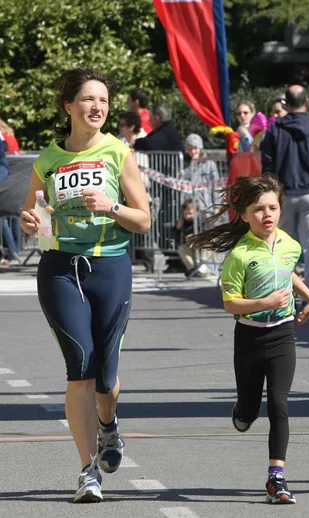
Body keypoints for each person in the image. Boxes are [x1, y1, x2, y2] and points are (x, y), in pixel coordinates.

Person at [19, 68, 150, 503]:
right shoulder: (48, 161)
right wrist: (30, 220)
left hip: (109, 268)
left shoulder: (118, 152)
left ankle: (110, 428)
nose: (97, 107)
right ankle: (87, 469)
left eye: (104, 102)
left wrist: (112, 205)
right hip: (59, 268)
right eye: (89, 100)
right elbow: (32, 219)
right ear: (69, 106)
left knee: (106, 378)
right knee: (81, 369)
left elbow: (144, 220)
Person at [189, 175, 309, 504]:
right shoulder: (239, 255)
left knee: (279, 403)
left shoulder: (290, 243)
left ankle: (276, 479)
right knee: (251, 409)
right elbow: (230, 303)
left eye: (273, 207)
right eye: (258, 209)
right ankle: (243, 411)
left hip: (282, 333)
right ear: (245, 215)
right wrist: (264, 303)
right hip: (248, 335)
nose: (267, 214)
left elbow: (286, 269)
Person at [261, 85, 309, 299]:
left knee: (280, 248)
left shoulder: (275, 129)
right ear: (307, 102)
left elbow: (267, 164)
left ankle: (282, 293)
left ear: (286, 104)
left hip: (283, 194)